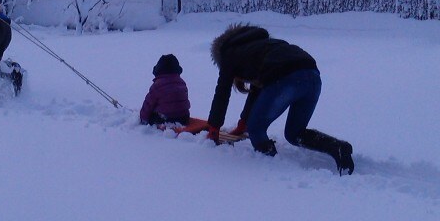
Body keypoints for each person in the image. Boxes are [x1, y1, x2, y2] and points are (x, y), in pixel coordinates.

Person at [207, 23, 354, 174]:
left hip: (287, 79)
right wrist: (243, 124)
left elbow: (222, 93)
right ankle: (338, 147)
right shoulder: (262, 46)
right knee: (295, 133)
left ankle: (273, 169)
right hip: (313, 77)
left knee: (256, 130)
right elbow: (256, 91)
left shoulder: (229, 54)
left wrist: (213, 129)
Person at [140, 54, 191, 126]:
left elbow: (148, 105)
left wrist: (143, 118)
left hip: (166, 119)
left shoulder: (157, 86)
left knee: (152, 113)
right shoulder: (181, 82)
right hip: (184, 118)